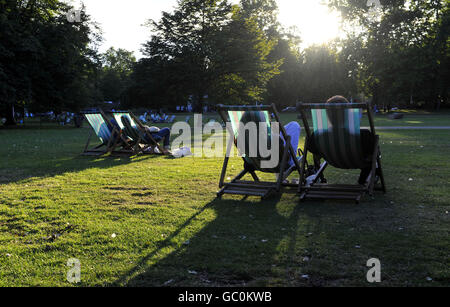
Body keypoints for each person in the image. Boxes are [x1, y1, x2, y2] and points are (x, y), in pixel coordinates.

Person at [308, 95, 376, 185]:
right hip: (357, 162)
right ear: (348, 114)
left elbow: (316, 155)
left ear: (328, 115)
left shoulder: (318, 135)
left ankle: (320, 177)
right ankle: (362, 181)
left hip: (332, 161)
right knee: (374, 154)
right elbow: (371, 156)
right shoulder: (363, 135)